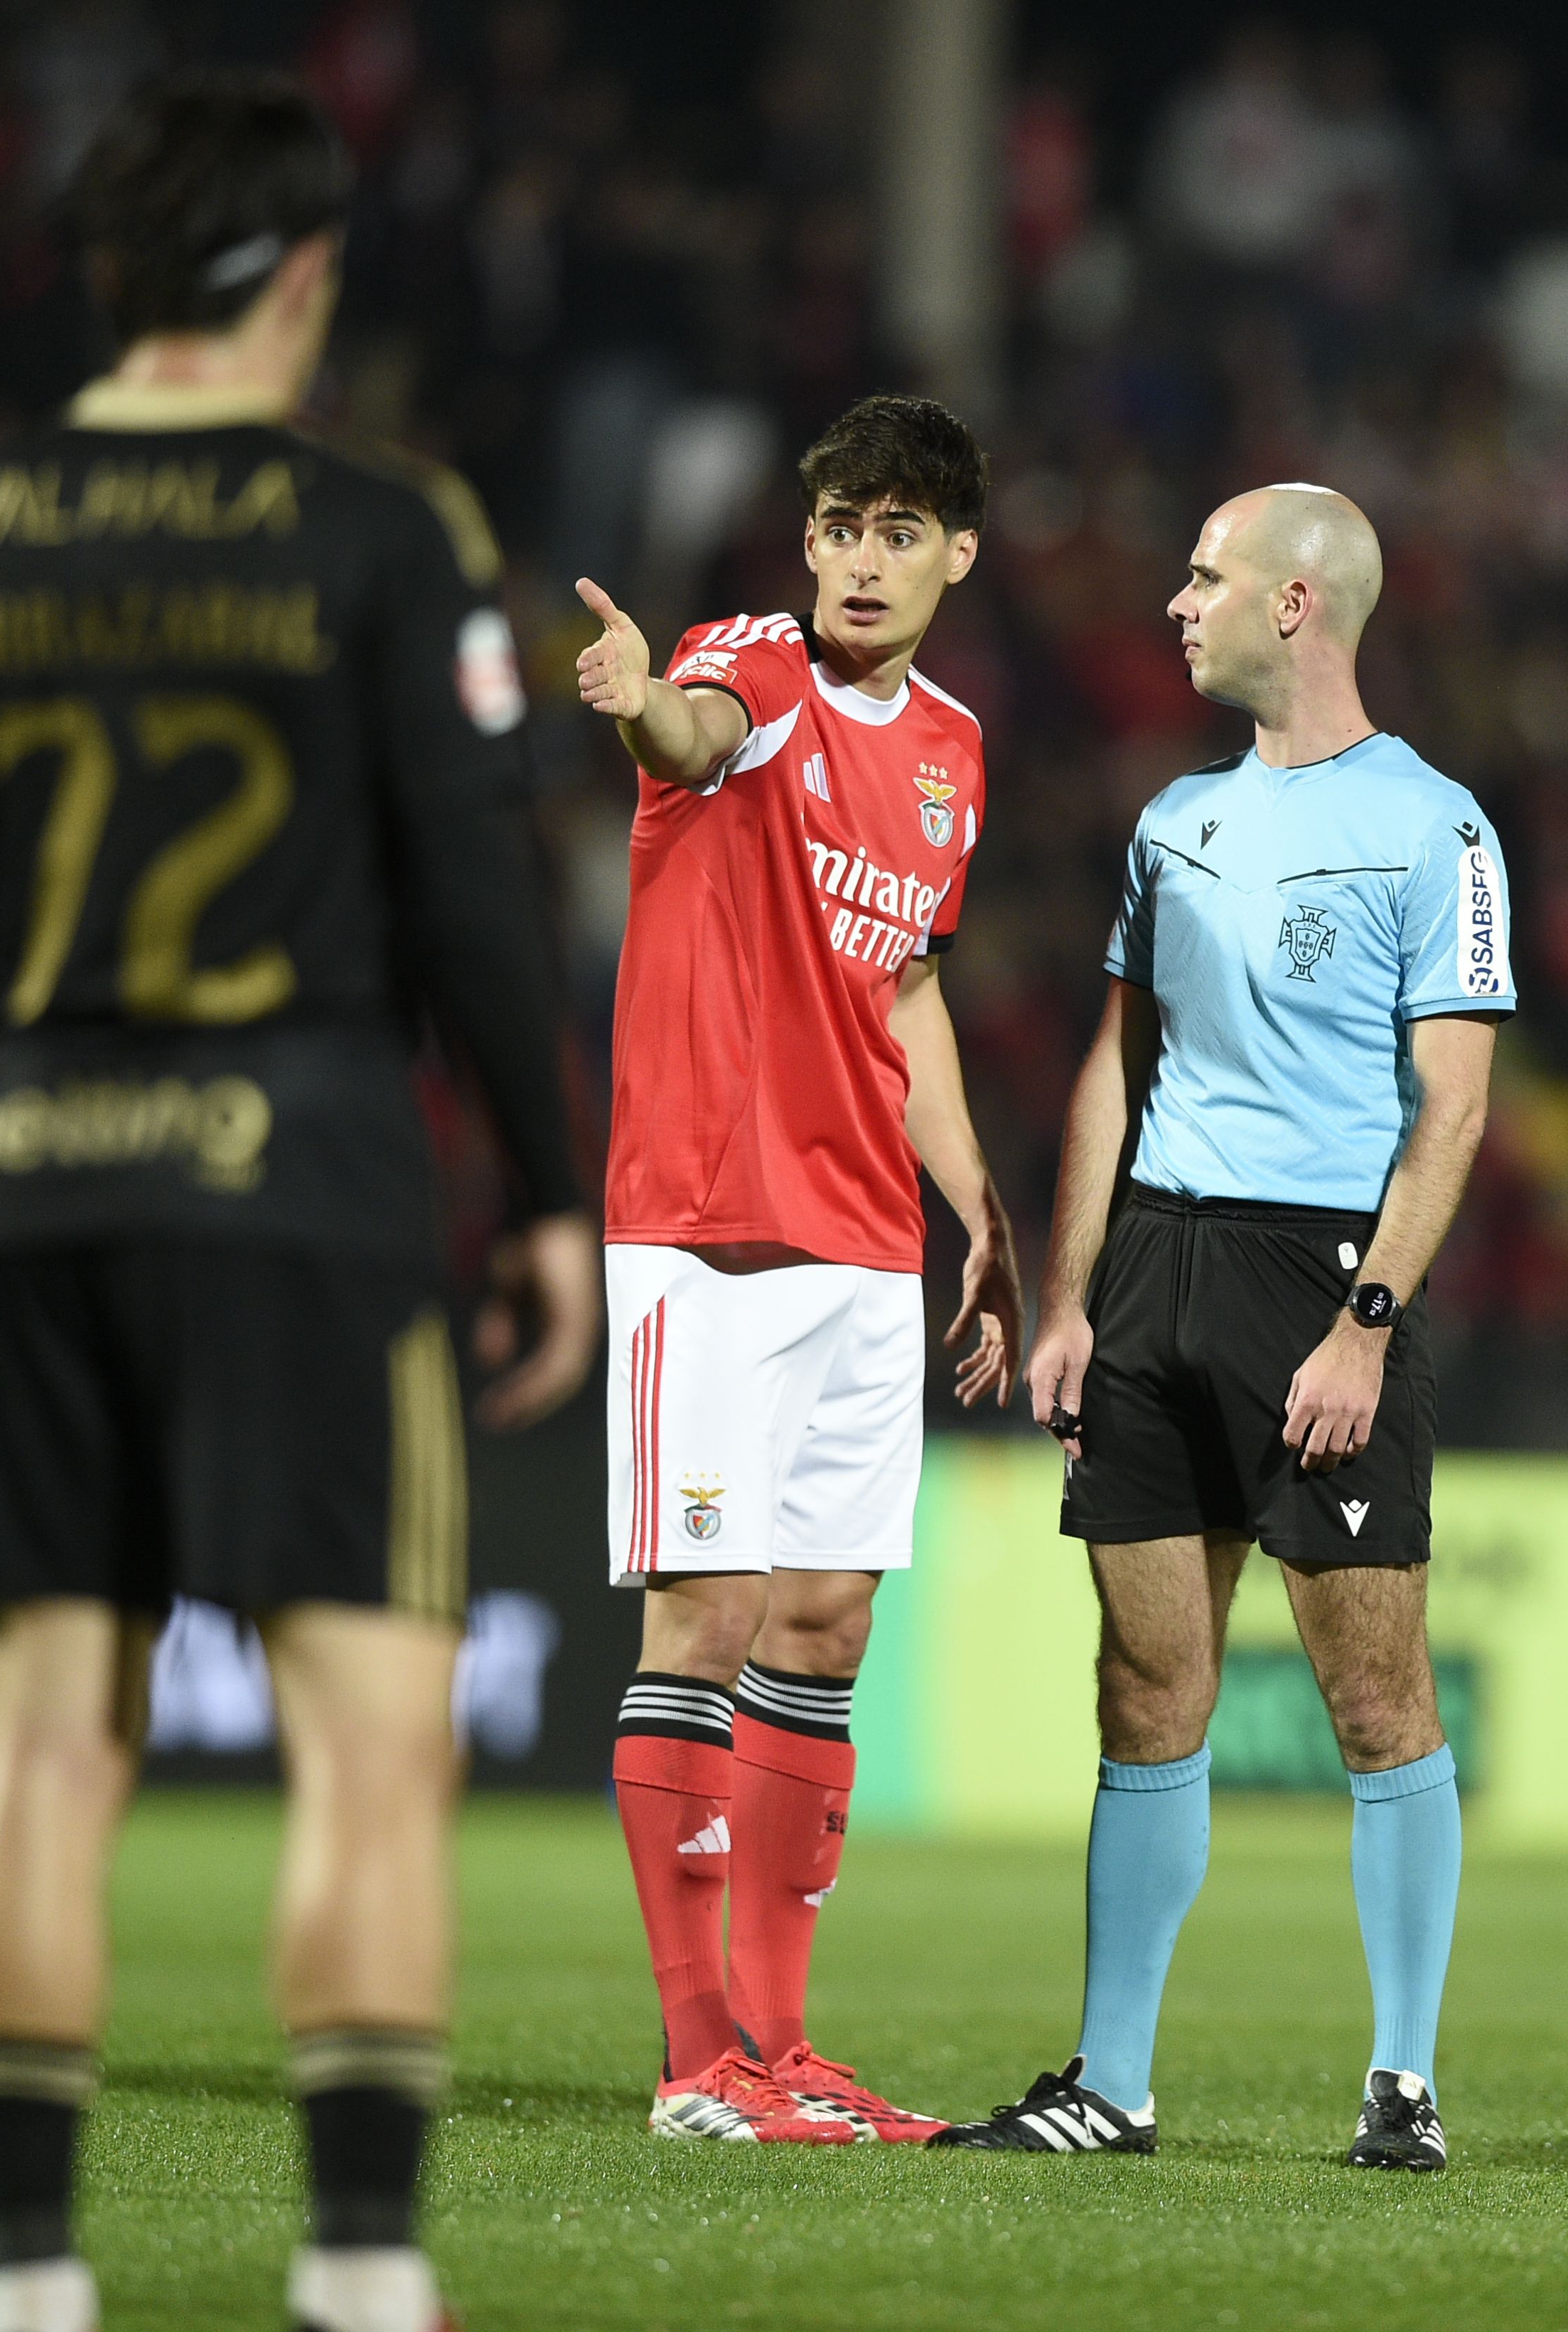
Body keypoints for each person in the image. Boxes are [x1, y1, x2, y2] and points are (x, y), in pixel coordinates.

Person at [0, 73, 598, 2332]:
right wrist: (547, 1188)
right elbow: (473, 887)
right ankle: (356, 2269)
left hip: (42, 1170)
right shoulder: (380, 522)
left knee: (45, 1737)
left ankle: (32, 2284)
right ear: (309, 279)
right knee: (371, 1733)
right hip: (309, 1178)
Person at [933, 484, 1511, 2170]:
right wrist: (1066, 1297)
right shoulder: (1171, 818)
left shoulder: (1435, 826)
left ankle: (1402, 2082)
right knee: (1144, 1682)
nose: (1177, 603)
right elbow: (1122, 1063)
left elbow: (1453, 1111)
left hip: (1314, 1276)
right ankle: (1110, 2082)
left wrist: (1365, 1325)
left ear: (1300, 606)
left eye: (1205, 576)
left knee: (1376, 1695)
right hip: (1154, 1275)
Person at [571, 393, 1022, 2147]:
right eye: (840, 524)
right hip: (704, 1225)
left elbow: (903, 982)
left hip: (863, 1238)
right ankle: (699, 2061)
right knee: (711, 1611)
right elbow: (694, 740)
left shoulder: (953, 750)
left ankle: (782, 2043)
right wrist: (641, 708)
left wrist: (976, 1204)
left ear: (954, 555)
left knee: (826, 1624)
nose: (858, 558)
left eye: (897, 532)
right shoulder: (747, 661)